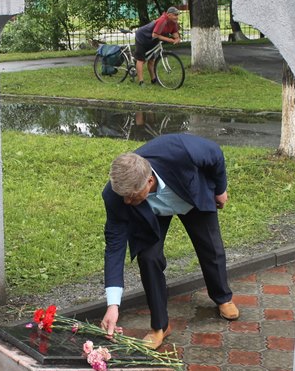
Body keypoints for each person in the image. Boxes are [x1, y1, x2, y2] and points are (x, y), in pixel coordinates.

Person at [99, 134, 239, 349]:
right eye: (124, 196)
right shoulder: (117, 195)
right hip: (152, 212)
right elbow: (114, 247)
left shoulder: (180, 150)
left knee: (211, 248)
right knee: (148, 258)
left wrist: (220, 190)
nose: (126, 201)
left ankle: (222, 297)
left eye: (132, 196)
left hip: (189, 198)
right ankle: (160, 326)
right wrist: (113, 305)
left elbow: (215, 154)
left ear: (149, 181)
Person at [134, 7, 181, 86]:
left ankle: (153, 79)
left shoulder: (173, 22)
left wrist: (177, 38)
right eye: (175, 15)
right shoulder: (163, 20)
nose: (177, 17)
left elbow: (175, 34)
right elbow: (155, 35)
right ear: (169, 15)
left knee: (151, 60)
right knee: (141, 60)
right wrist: (170, 40)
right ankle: (141, 82)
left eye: (177, 15)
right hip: (143, 37)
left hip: (153, 40)